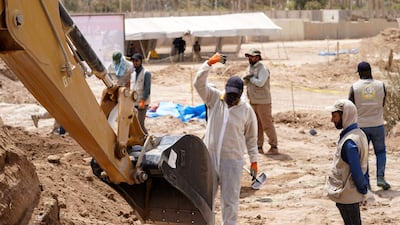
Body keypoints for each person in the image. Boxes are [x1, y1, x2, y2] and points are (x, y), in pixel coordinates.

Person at [193, 52, 258, 225]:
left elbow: (251, 138)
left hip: (232, 161)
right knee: (205, 200)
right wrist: (208, 64)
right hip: (210, 159)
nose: (231, 98)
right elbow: (198, 84)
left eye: (235, 96)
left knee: (230, 202)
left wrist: (254, 161)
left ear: (240, 94)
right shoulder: (214, 98)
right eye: (229, 94)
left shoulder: (246, 110)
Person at [348, 61, 391, 190]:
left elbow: (350, 106)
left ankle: (366, 182)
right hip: (377, 124)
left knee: (363, 155)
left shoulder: (354, 87)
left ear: (359, 73)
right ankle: (380, 178)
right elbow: (382, 103)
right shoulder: (380, 85)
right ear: (371, 71)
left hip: (361, 126)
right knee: (381, 152)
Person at [326, 99, 369, 225]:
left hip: (347, 195)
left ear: (344, 115)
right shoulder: (360, 134)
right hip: (351, 194)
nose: (332, 120)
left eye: (334, 116)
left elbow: (357, 171)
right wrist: (364, 188)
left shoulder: (349, 142)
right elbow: (365, 166)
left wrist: (363, 190)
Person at [242, 48, 278, 155]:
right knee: (256, 125)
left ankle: (273, 146)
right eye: (249, 56)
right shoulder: (249, 68)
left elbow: (261, 82)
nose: (250, 58)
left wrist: (251, 79)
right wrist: (246, 79)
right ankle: (259, 146)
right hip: (253, 101)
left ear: (257, 57)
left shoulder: (263, 69)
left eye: (252, 56)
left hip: (263, 102)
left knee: (267, 124)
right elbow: (244, 81)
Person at [130, 53, 151, 134]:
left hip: (143, 103)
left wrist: (142, 101)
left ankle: (148, 141)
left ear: (140, 61)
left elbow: (147, 89)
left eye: (136, 61)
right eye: (133, 61)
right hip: (134, 102)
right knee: (133, 124)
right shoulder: (133, 73)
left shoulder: (146, 73)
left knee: (140, 124)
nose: (135, 63)